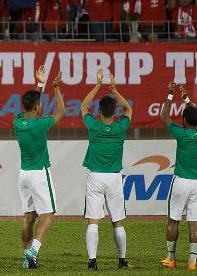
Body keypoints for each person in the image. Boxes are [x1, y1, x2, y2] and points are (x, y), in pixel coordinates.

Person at [80, 70, 133, 270]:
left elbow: (84, 106)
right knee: (117, 221)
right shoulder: (121, 127)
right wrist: (114, 89)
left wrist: (97, 85)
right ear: (114, 111)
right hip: (114, 178)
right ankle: (122, 261)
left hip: (95, 177)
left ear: (100, 111)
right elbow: (129, 109)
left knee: (93, 221)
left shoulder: (93, 125)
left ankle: (92, 262)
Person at [14, 66, 65, 269]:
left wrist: (40, 85)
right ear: (37, 107)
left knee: (28, 217)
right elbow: (61, 112)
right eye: (40, 104)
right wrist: (56, 88)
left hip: (23, 175)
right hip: (39, 173)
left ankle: (27, 258)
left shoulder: (17, 122)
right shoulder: (41, 123)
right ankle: (34, 250)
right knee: (48, 213)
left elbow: (31, 107)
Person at [159, 83, 197, 271]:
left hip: (181, 181)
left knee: (173, 220)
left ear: (184, 121)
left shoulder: (181, 133)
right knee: (194, 222)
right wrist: (187, 100)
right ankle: (192, 263)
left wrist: (171, 95)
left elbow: (164, 116)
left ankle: (171, 259)